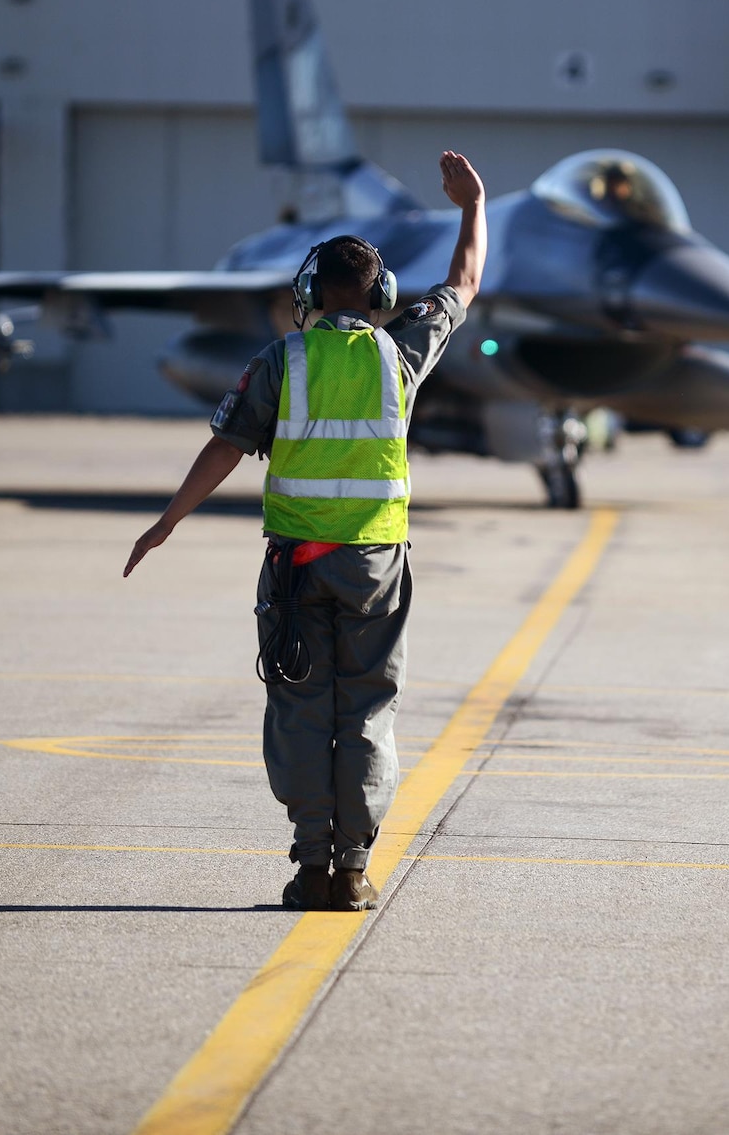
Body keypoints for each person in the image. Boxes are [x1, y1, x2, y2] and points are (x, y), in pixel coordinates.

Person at [123, 150, 487, 912]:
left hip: (294, 568)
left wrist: (167, 522)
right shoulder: (402, 355)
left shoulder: (281, 361)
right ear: (382, 294)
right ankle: (352, 868)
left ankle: (310, 863)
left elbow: (224, 445)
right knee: (366, 708)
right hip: (376, 569)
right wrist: (470, 205)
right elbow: (462, 285)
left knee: (298, 707)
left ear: (308, 293)